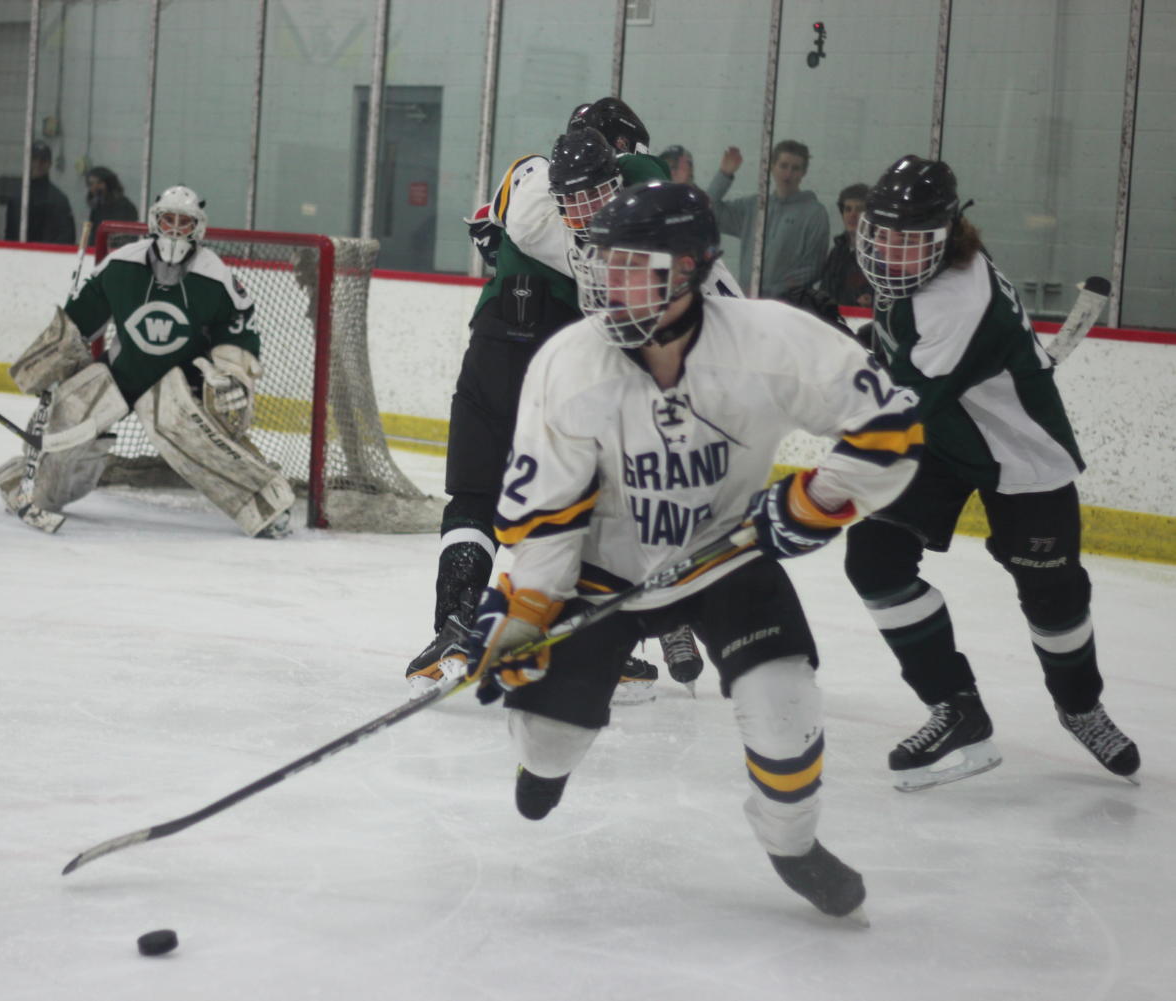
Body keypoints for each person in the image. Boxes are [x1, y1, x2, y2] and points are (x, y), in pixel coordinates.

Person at [443, 180, 921, 920]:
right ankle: (544, 758)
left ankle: (790, 844)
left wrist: (815, 502)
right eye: (603, 263)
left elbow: (887, 425)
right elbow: (546, 514)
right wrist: (526, 607)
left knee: (786, 710)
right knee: (545, 744)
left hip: (725, 554)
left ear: (693, 269)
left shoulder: (767, 340)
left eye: (635, 265)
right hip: (600, 569)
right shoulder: (568, 362)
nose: (609, 283)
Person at [843, 155, 1140, 791]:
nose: (889, 253)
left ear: (944, 236)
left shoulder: (958, 301)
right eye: (882, 235)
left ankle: (1080, 706)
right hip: (945, 437)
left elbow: (890, 407)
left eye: (906, 239)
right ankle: (957, 708)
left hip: (1019, 450)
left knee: (1054, 598)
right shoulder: (916, 281)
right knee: (874, 561)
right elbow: (896, 358)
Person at [407, 109, 710, 702]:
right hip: (566, 357)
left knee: (474, 496)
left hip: (496, 342)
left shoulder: (530, 176)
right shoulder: (634, 177)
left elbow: (497, 227)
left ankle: (455, 623)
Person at [0, 185, 293, 539]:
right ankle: (32, 487)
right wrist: (53, 360)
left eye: (185, 223)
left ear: (198, 228)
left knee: (187, 436)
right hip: (121, 371)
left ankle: (265, 503)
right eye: (169, 220)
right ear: (155, 221)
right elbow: (78, 325)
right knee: (69, 419)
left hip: (180, 379)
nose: (175, 230)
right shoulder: (122, 264)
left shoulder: (215, 276)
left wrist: (231, 372)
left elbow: (237, 328)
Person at [707, 140, 830, 297]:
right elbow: (708, 213)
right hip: (748, 301)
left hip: (787, 306)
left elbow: (814, 267)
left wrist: (775, 291)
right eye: (783, 166)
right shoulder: (754, 207)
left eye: (795, 168)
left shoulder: (814, 214)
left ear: (803, 173)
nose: (788, 174)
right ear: (772, 167)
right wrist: (724, 175)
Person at [3, 140, 76, 245]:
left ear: (49, 164)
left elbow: (67, 238)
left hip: (48, 258)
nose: (38, 164)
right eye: (34, 159)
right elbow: (9, 235)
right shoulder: (17, 196)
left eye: (43, 160)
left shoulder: (59, 199)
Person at [817, 182, 871, 308]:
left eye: (859, 209)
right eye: (848, 209)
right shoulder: (837, 251)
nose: (852, 214)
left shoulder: (877, 253)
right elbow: (824, 291)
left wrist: (871, 300)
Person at [85, 166, 139, 235]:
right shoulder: (97, 208)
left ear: (109, 183)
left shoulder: (124, 206)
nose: (94, 187)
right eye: (91, 184)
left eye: (99, 183)